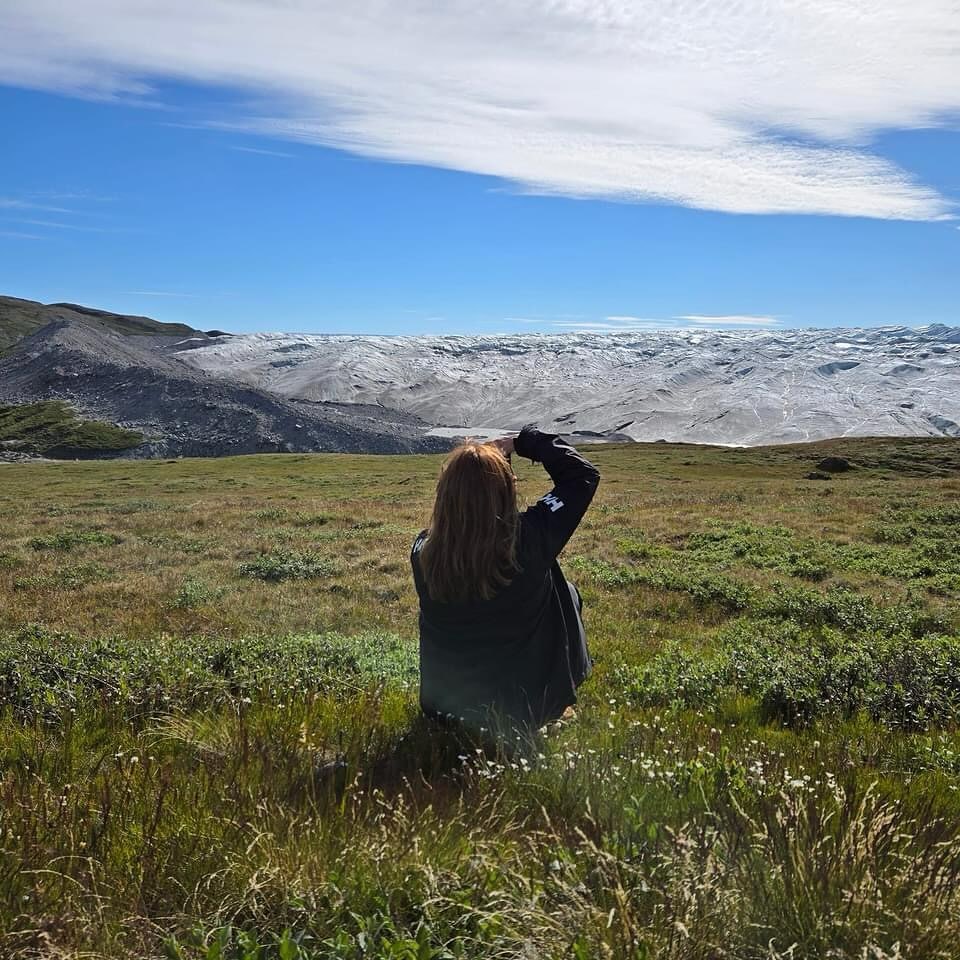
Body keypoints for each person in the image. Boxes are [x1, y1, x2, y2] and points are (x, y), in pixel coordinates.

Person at [410, 425, 600, 739]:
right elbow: (581, 476)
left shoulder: (423, 551)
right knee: (566, 594)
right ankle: (557, 703)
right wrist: (522, 442)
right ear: (504, 491)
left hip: (443, 709)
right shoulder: (529, 540)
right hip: (521, 710)